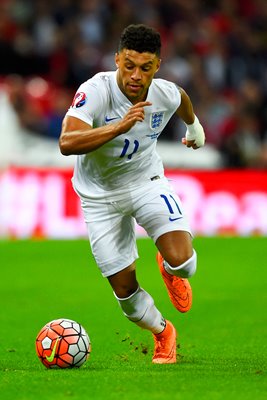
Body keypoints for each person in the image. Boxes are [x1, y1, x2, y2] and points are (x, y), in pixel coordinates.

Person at [59, 24, 205, 364]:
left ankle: (168, 268)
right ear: (116, 61)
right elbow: (67, 142)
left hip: (145, 182)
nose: (135, 75)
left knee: (184, 263)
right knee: (125, 293)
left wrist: (194, 127)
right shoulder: (96, 90)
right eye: (128, 65)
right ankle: (163, 332)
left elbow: (181, 98)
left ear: (157, 66)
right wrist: (117, 127)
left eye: (144, 67)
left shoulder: (164, 93)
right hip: (99, 198)